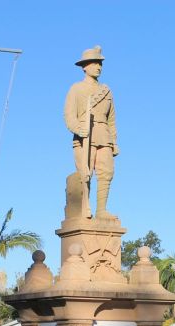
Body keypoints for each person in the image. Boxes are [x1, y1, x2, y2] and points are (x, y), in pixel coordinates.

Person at [64, 46, 119, 219]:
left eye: (100, 63)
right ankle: (84, 208)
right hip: (84, 136)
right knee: (85, 174)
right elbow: (69, 114)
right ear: (84, 67)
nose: (98, 67)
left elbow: (111, 119)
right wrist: (77, 128)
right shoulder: (76, 89)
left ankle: (101, 210)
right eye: (94, 63)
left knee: (107, 172)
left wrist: (114, 142)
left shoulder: (107, 91)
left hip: (104, 135)